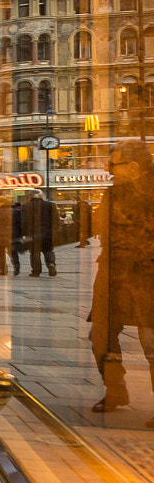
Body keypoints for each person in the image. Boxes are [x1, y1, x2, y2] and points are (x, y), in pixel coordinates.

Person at [89, 140, 154, 418]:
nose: (109, 170)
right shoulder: (112, 194)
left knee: (151, 340)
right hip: (113, 275)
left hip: (147, 277)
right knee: (100, 336)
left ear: (134, 167)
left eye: (113, 165)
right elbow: (99, 226)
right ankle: (115, 389)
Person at [20, 189, 57, 277]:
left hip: (32, 233)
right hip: (47, 232)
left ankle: (36, 271)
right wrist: (55, 230)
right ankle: (51, 264)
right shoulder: (50, 205)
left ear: (30, 197)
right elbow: (56, 219)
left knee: (34, 252)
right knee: (48, 250)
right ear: (41, 196)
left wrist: (24, 233)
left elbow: (23, 221)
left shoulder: (26, 206)